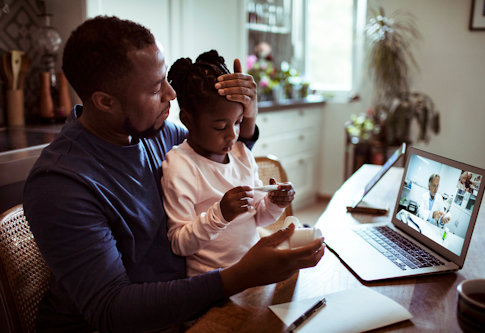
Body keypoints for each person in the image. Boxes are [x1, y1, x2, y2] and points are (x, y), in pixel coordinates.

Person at [22, 16, 324, 332]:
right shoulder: (62, 185)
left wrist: (247, 113)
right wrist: (241, 275)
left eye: (165, 79)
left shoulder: (156, 133)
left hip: (187, 309)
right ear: (105, 101)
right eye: (155, 88)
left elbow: (219, 150)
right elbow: (111, 309)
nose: (170, 94)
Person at [162, 50, 295, 277]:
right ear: (187, 120)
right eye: (220, 126)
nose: (232, 135)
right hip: (211, 282)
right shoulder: (180, 165)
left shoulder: (241, 153)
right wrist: (221, 214)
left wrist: (274, 203)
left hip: (253, 271)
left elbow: (258, 218)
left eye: (237, 123)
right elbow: (179, 243)